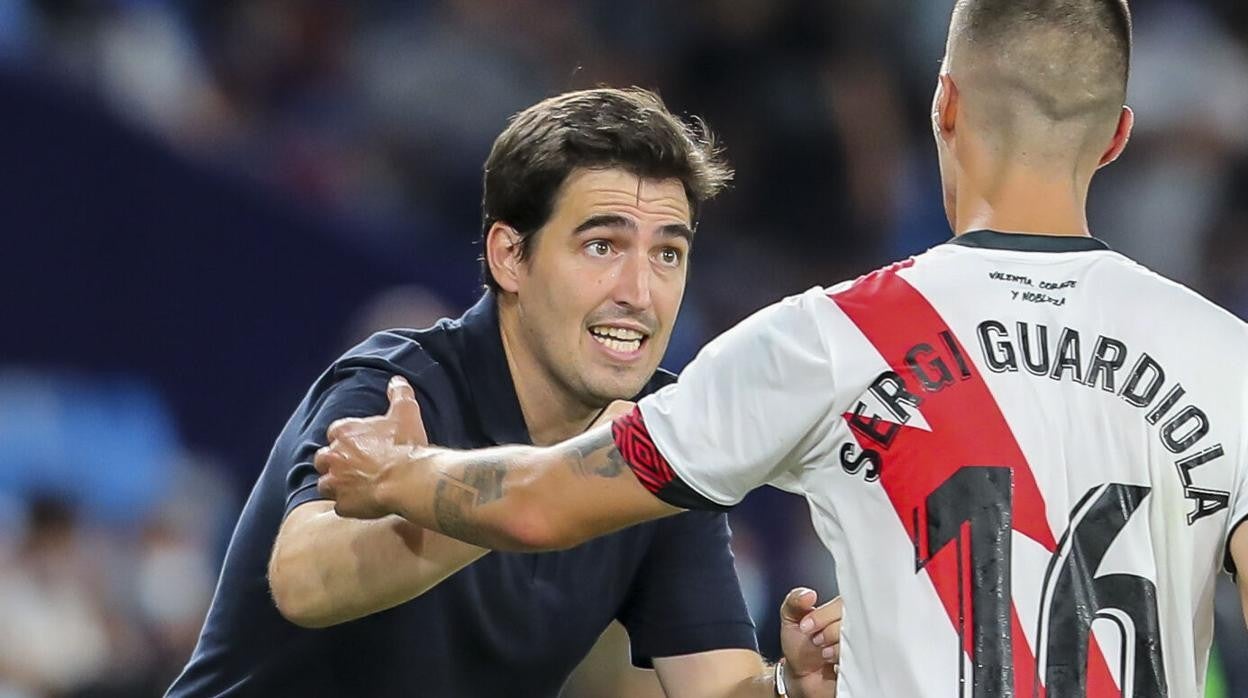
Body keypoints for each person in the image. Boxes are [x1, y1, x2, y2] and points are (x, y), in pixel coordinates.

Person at [315, 1, 1248, 695]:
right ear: (1118, 137)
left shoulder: (827, 340)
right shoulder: (1227, 359)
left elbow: (540, 504)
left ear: (945, 106)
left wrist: (398, 475)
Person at [169, 88, 842, 698]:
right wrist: (532, 493)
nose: (639, 293)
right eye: (603, 245)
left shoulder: (656, 440)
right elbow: (302, 581)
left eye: (668, 253)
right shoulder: (401, 384)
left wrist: (789, 687)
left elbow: (716, 688)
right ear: (509, 257)